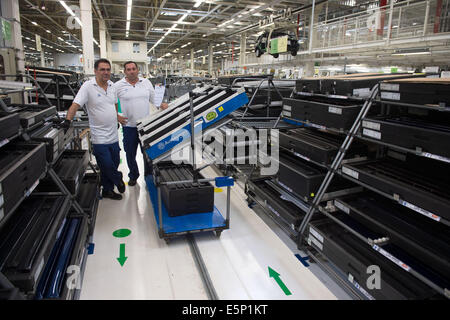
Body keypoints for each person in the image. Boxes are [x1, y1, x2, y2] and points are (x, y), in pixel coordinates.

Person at [62, 58, 125, 200]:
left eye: (108, 69)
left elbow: (115, 104)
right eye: (102, 69)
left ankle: (108, 190)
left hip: (113, 136)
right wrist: (67, 120)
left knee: (113, 163)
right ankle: (118, 179)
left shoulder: (112, 86)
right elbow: (75, 104)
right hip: (99, 137)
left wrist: (116, 117)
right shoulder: (88, 86)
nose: (106, 72)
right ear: (95, 71)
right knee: (107, 164)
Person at [114, 61, 168, 186]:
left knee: (147, 153)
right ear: (125, 71)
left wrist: (162, 104)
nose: (131, 71)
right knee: (130, 153)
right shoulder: (118, 85)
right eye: (128, 69)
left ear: (138, 70)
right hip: (128, 126)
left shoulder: (146, 82)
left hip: (145, 126)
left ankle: (148, 176)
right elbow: (110, 101)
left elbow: (154, 98)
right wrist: (116, 116)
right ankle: (133, 175)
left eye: (134, 68)